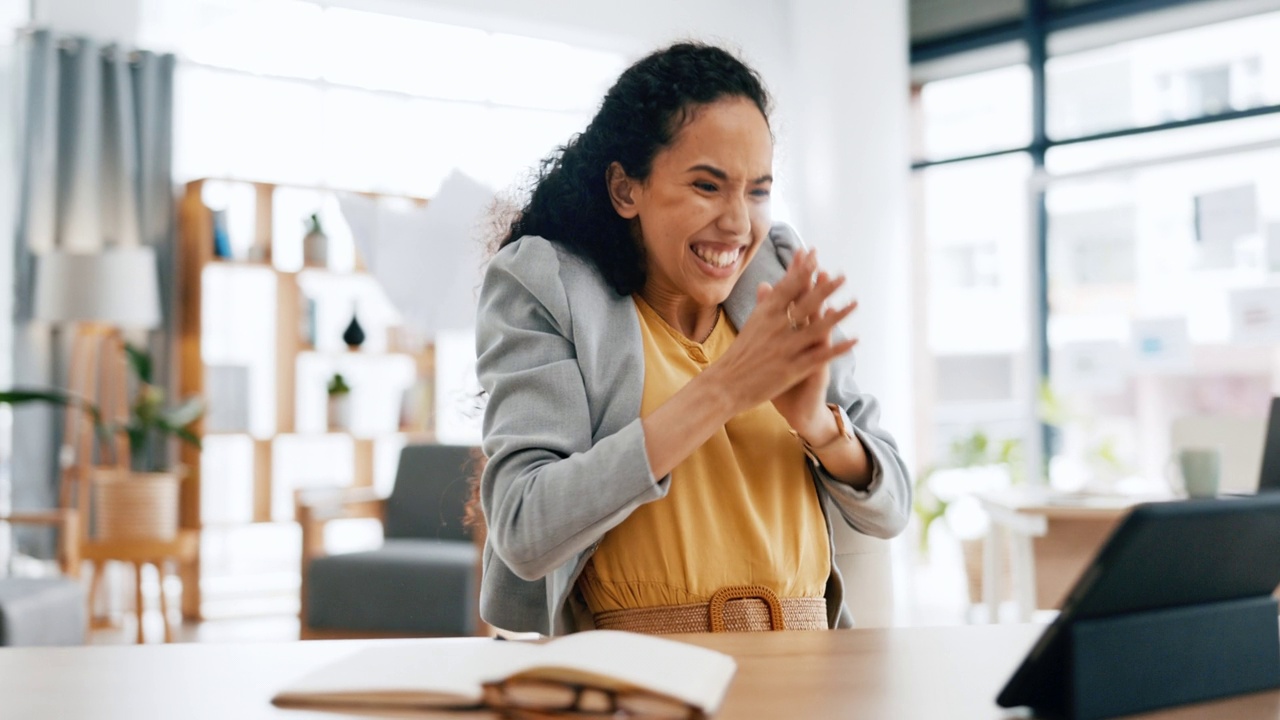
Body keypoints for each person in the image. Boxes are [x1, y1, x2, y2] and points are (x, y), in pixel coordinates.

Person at [475, 41, 911, 637]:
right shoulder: (548, 284)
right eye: (708, 186)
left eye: (757, 190)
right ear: (627, 190)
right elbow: (525, 527)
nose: (738, 222)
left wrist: (820, 427)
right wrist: (724, 390)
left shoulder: (778, 273)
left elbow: (891, 506)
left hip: (812, 663)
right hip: (642, 673)